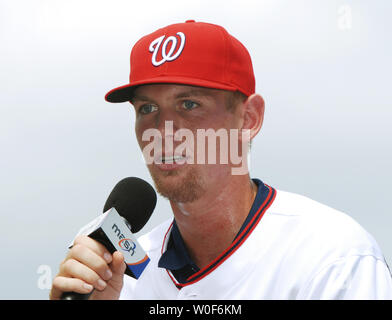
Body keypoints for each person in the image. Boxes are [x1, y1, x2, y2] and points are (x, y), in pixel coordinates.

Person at [50, 20, 392, 300]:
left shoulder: (333, 257)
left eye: (189, 104)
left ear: (249, 119)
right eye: (147, 109)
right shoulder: (117, 274)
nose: (164, 130)